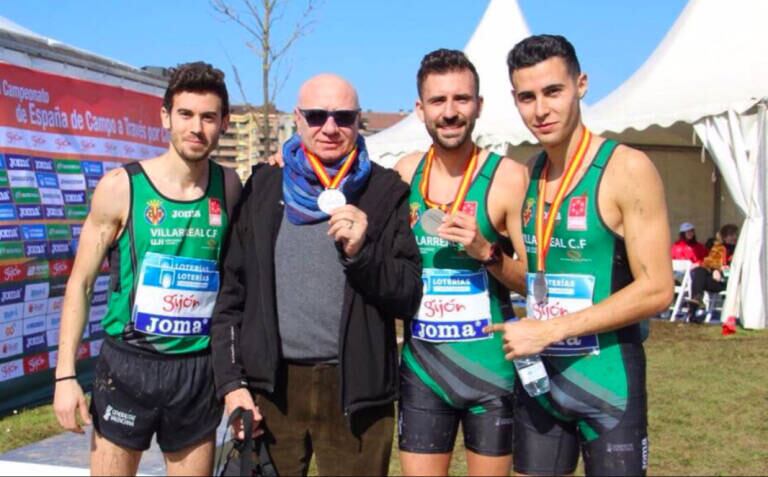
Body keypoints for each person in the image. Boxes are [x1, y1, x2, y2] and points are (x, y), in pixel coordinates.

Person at [210, 74, 422, 477]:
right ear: (297, 118)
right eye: (316, 115)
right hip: (272, 390)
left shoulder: (385, 190)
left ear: (358, 121)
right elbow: (231, 296)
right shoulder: (263, 186)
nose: (329, 127)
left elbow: (408, 294)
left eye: (343, 117)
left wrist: (363, 254)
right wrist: (232, 383)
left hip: (356, 392)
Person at [486, 35, 674, 476]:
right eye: (527, 97)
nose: (541, 110)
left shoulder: (626, 168)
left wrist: (551, 329)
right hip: (539, 383)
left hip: (606, 383)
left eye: (554, 92)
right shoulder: (529, 172)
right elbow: (534, 277)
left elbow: (658, 288)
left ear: (581, 85)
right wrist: (490, 257)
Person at [53, 62, 241, 476]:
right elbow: (81, 284)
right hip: (129, 366)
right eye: (186, 115)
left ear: (224, 122)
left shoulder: (229, 186)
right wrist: (65, 376)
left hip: (196, 370)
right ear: (165, 117)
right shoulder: (122, 186)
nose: (197, 127)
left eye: (209, 117)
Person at [392, 49, 529, 477]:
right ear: (420, 109)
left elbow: (533, 283)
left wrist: (487, 252)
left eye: (461, 100)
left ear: (479, 106)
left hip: (491, 373)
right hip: (423, 372)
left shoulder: (508, 177)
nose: (450, 113)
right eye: (438, 101)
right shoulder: (405, 172)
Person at [687, 223, 739, 322]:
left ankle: (693, 309)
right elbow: (710, 261)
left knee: (700, 274)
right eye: (731, 235)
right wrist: (715, 270)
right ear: (724, 237)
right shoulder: (718, 248)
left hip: (729, 281)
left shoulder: (739, 249)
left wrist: (719, 270)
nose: (734, 237)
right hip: (716, 280)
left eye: (735, 234)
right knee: (699, 271)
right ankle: (696, 301)